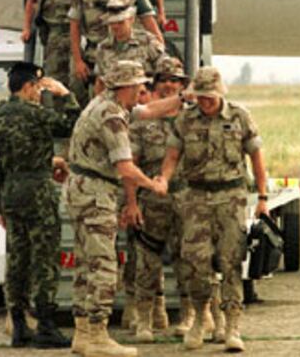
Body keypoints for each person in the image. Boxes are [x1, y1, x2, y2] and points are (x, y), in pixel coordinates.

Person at [65, 60, 182, 357]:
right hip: (95, 195)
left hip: (80, 189)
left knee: (84, 264)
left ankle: (81, 334)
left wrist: (183, 98)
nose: (143, 89)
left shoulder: (103, 103)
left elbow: (147, 111)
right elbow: (126, 168)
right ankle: (98, 336)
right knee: (104, 265)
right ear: (125, 87)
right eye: (139, 85)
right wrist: (153, 185)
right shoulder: (112, 118)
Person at [158, 66, 269, 352]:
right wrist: (163, 180)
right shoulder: (185, 120)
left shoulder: (239, 117)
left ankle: (232, 325)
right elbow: (172, 156)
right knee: (196, 263)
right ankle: (201, 318)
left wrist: (263, 197)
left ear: (220, 93)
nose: (204, 102)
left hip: (231, 197)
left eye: (209, 97)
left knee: (231, 261)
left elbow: (257, 158)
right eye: (200, 97)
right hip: (196, 197)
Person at [0, 62, 81, 349]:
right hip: (39, 191)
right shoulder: (37, 115)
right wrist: (66, 95)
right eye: (38, 87)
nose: (40, 93)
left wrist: (1, 206)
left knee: (17, 259)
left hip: (11, 194)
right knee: (44, 259)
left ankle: (18, 325)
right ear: (27, 87)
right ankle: (45, 326)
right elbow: (72, 125)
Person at [124, 57, 193, 342]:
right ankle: (145, 320)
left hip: (186, 198)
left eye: (174, 81)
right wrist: (131, 203)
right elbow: (130, 164)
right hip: (152, 199)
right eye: (163, 80)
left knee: (187, 259)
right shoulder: (142, 122)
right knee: (147, 262)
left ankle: (190, 316)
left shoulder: (193, 118)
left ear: (182, 86)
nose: (168, 85)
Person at [68, 0, 162, 105]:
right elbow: (74, 24)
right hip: (96, 53)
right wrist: (78, 60)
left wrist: (159, 45)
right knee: (86, 94)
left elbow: (148, 18)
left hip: (127, 52)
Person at [94, 0, 167, 92]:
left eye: (120, 22)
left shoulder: (147, 41)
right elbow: (100, 81)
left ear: (131, 19)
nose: (115, 27)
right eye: (112, 23)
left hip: (143, 99)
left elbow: (165, 70)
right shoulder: (103, 47)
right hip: (114, 100)